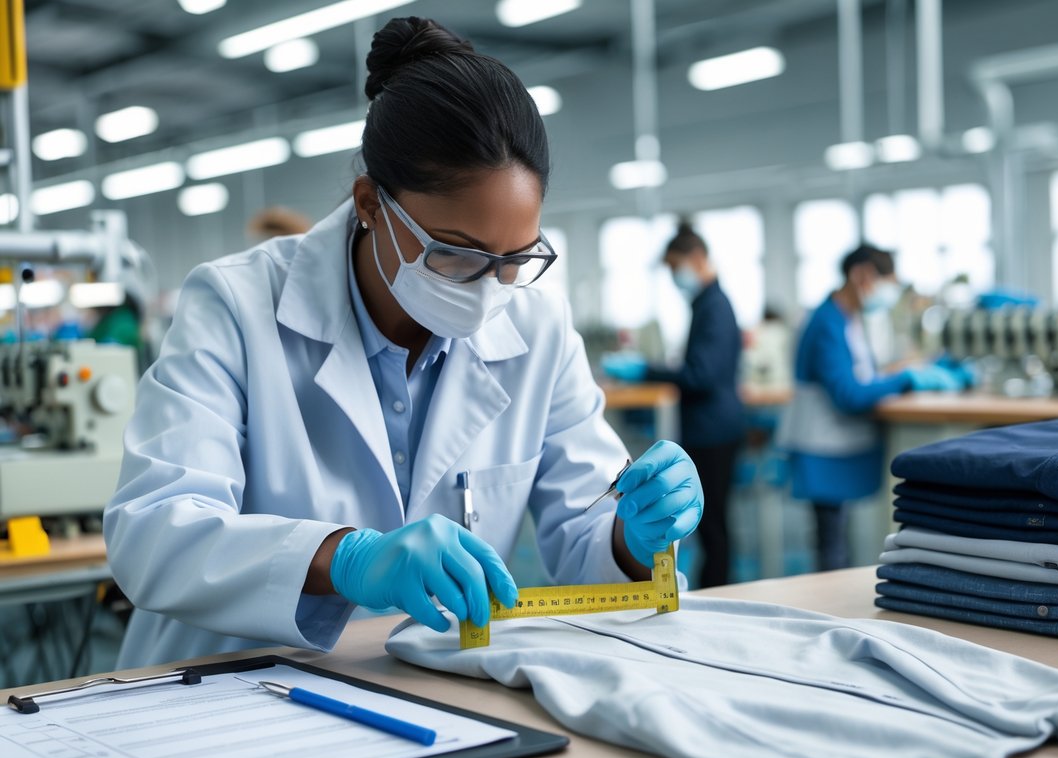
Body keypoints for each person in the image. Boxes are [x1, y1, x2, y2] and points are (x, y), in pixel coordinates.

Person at [104, 16, 704, 669]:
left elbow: (583, 536)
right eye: (456, 255)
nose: (489, 287)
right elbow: (155, 535)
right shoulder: (236, 306)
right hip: (233, 690)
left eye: (514, 258)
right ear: (370, 204)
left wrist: (631, 536)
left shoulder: (538, 328)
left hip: (435, 688)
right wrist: (345, 559)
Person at [778, 244, 960, 572]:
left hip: (834, 441)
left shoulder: (849, 318)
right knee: (831, 544)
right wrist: (907, 379)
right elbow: (849, 393)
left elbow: (862, 373)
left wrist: (905, 370)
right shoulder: (827, 322)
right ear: (861, 274)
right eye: (886, 283)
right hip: (822, 443)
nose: (888, 294)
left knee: (836, 539)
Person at [604, 222, 743, 587]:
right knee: (712, 524)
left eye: (674, 266)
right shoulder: (706, 303)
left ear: (696, 258)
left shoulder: (714, 305)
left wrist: (646, 370)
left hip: (713, 429)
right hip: (712, 426)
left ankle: (717, 595)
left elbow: (701, 375)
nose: (672, 276)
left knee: (713, 525)